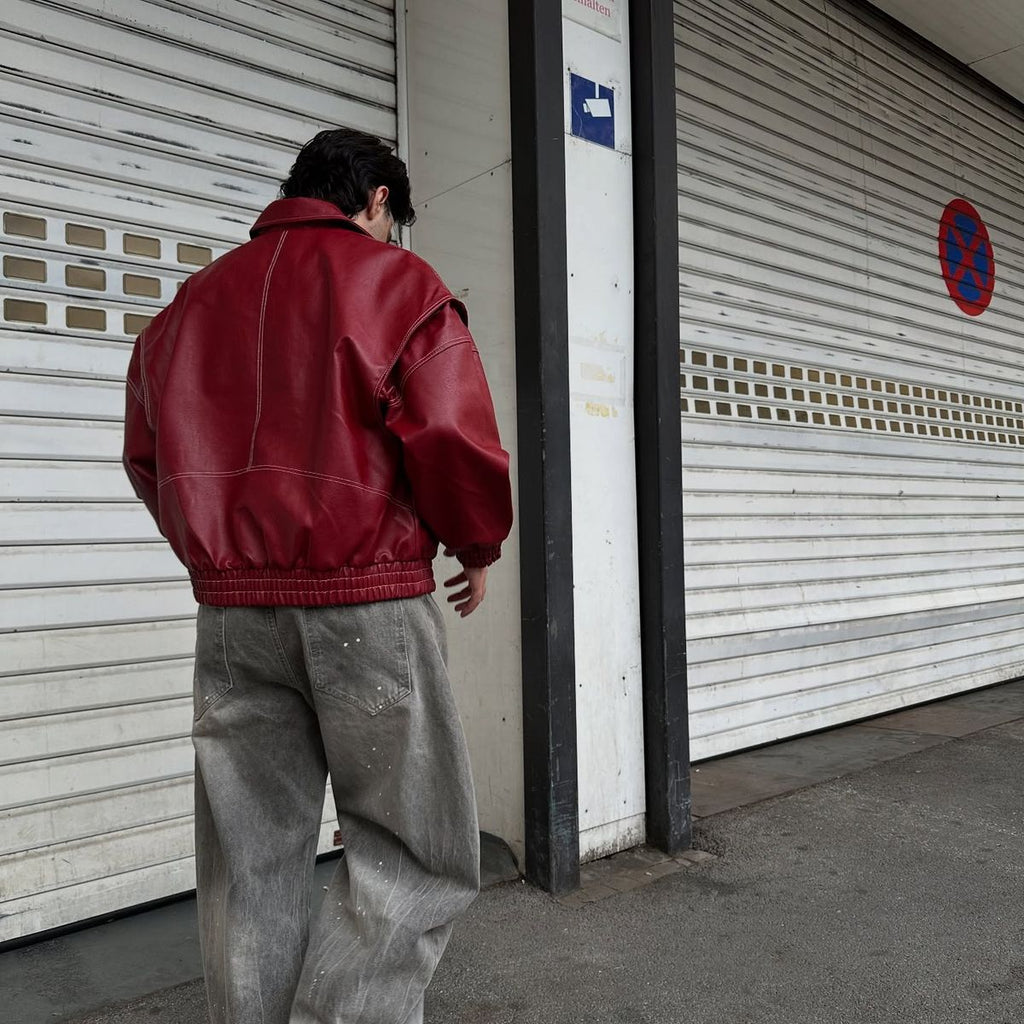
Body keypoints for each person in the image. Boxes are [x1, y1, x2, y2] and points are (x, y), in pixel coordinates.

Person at [122, 127, 513, 1024]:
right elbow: (452, 436)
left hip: (233, 618)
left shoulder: (192, 303)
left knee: (249, 858)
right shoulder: (400, 285)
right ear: (377, 200)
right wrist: (476, 545)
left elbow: (147, 454)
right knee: (413, 850)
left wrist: (219, 557)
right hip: (366, 602)